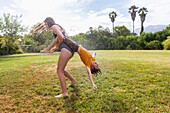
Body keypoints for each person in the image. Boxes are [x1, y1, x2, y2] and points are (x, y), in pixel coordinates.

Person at [38, 17, 101, 97]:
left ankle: (65, 93)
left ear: (49, 22)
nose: (45, 25)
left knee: (59, 71)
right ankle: (73, 81)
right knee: (61, 69)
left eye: (46, 23)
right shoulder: (92, 59)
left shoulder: (54, 26)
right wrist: (56, 47)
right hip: (71, 48)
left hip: (70, 48)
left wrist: (93, 84)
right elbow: (60, 38)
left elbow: (60, 37)